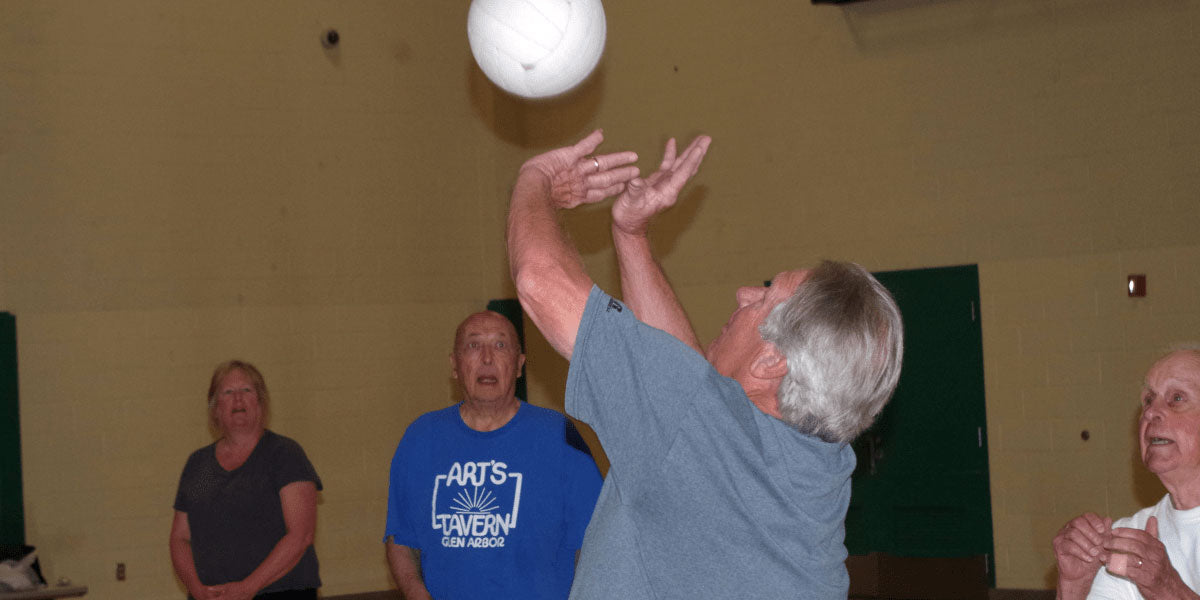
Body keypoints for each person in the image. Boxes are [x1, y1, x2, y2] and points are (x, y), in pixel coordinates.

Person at [505, 130, 904, 599]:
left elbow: (539, 279)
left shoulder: (696, 430)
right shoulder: (817, 466)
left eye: (766, 294)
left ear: (773, 360)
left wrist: (537, 179)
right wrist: (631, 236)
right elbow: (688, 393)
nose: (744, 293)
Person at [383, 311, 603, 599]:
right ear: (454, 365)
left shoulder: (560, 436)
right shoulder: (421, 439)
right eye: (473, 346)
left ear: (519, 365)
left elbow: (597, 540)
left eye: (500, 346)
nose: (487, 358)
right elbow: (400, 537)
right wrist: (415, 591)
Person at [1053, 348, 1200, 600]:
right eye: (1148, 400)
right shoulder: (1131, 537)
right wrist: (1073, 586)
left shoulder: (1147, 561)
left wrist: (1168, 589)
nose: (1151, 412)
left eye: (1177, 398)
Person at [169, 360, 322, 600]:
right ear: (215, 408)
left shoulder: (284, 455)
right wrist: (197, 589)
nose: (238, 399)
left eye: (246, 391)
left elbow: (300, 536)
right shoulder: (199, 465)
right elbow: (180, 537)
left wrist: (247, 588)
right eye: (228, 392)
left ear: (260, 403)